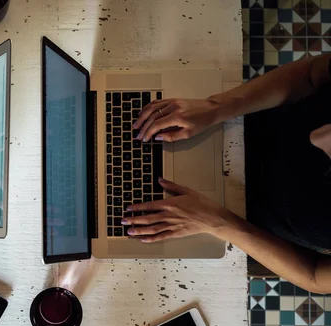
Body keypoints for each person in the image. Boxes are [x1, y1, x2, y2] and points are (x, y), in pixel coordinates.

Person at [124, 54, 331, 294]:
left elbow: (314, 276)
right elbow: (310, 75)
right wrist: (216, 107)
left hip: (246, 226)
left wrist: (218, 222)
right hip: (238, 121)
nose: (320, 138)